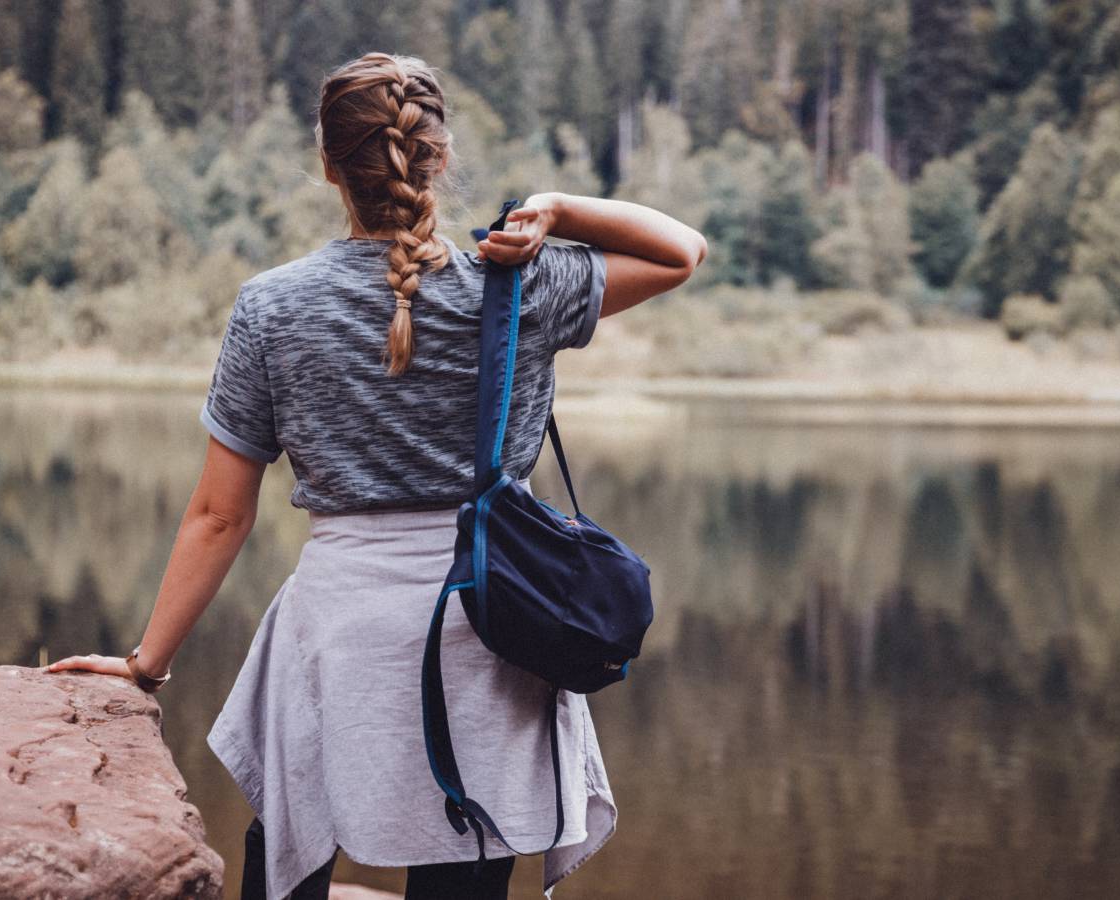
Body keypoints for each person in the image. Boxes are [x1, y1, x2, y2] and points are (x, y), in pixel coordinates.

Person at [44, 51, 706, 900]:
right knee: (467, 865)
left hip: (337, 630)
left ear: (329, 165)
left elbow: (218, 515)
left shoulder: (272, 306)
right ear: (438, 155)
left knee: (291, 861)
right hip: (491, 624)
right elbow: (682, 251)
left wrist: (146, 665)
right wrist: (559, 207)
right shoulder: (517, 286)